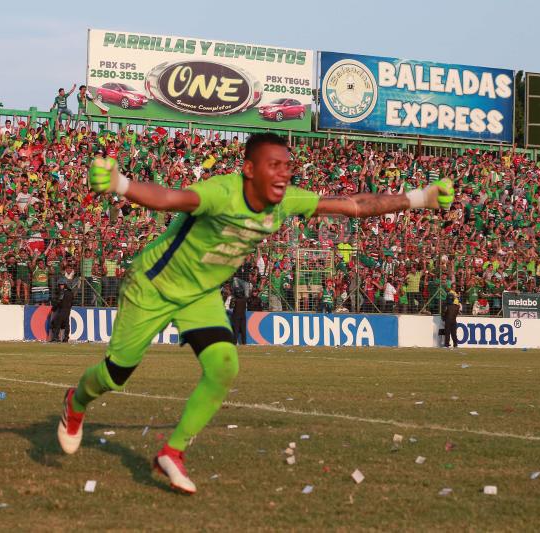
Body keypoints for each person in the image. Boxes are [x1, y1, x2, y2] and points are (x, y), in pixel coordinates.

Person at [57, 132, 452, 494]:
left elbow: (354, 206)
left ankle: (172, 452)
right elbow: (168, 198)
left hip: (201, 294)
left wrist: (420, 198)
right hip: (153, 286)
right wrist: (120, 185)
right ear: (248, 170)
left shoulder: (288, 200)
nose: (283, 173)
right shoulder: (222, 192)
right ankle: (76, 403)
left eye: (287, 166)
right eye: (273, 165)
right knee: (115, 375)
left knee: (224, 366)